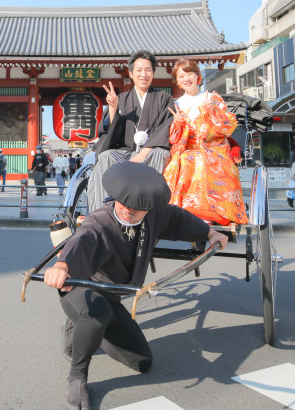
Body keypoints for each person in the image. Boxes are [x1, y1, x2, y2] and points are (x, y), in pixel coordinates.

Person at [42, 161, 229, 409]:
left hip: (111, 296)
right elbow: (81, 241)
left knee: (141, 362)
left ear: (149, 208)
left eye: (137, 208)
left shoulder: (155, 216)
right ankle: (77, 376)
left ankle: (88, 331)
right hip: (81, 288)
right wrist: (62, 266)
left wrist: (209, 233)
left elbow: (178, 218)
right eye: (123, 203)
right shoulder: (99, 221)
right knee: (97, 314)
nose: (127, 210)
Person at [163, 59, 247, 226]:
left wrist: (212, 112)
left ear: (198, 77)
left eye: (189, 74)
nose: (186, 79)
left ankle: (209, 213)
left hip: (214, 146)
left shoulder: (212, 98)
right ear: (177, 82)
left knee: (201, 160)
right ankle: (180, 211)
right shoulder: (176, 104)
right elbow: (173, 138)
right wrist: (177, 124)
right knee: (179, 162)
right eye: (181, 76)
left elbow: (227, 127)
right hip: (186, 147)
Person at [88, 51, 174, 212]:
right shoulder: (122, 98)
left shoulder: (165, 98)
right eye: (139, 70)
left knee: (160, 154)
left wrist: (144, 153)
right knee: (105, 157)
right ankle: (101, 211)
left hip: (151, 151)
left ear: (153, 73)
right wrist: (113, 108)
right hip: (126, 152)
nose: (143, 74)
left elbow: (165, 127)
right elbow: (111, 131)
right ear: (131, 73)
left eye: (148, 70)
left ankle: (151, 210)